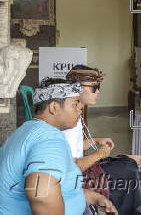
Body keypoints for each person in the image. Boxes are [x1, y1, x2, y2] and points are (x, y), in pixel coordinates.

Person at [0, 80, 117, 215]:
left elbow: (59, 185)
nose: (80, 108)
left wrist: (94, 197)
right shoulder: (49, 138)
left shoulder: (28, 129)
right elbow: (42, 195)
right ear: (54, 107)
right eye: (75, 104)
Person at [62, 65, 141, 215]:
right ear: (77, 88)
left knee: (129, 165)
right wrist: (100, 154)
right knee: (129, 171)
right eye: (94, 87)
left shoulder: (76, 112)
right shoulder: (67, 120)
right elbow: (73, 166)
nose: (98, 91)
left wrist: (96, 140)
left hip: (81, 166)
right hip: (74, 175)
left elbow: (75, 146)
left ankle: (137, 204)